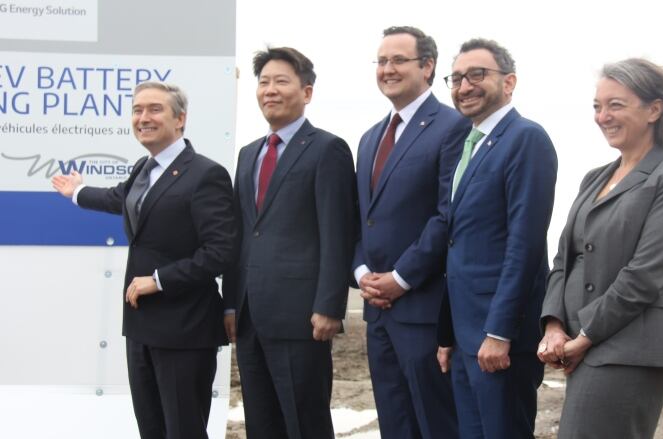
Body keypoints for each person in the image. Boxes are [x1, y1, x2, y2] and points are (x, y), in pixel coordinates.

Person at [51, 81, 236, 439]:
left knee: (183, 431)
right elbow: (119, 198)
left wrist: (160, 279)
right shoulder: (143, 168)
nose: (143, 117)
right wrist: (76, 192)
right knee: (151, 429)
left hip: (185, 328)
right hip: (140, 327)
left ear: (180, 120)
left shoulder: (205, 174)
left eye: (154, 109)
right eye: (137, 110)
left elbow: (221, 251)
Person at [537, 58, 663, 438]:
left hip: (633, 345)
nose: (602, 116)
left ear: (654, 109)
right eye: (597, 106)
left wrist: (586, 336)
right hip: (583, 341)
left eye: (615, 105)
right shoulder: (593, 178)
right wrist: (554, 325)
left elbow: (647, 272)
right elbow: (564, 258)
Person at [221, 47, 356, 439]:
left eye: (281, 81)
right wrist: (231, 301)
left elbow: (337, 232)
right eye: (263, 82)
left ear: (307, 92)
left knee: (304, 423)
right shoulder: (248, 155)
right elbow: (240, 234)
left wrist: (330, 305)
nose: (270, 90)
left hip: (302, 318)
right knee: (261, 423)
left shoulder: (327, 149)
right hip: (250, 315)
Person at [353, 26, 470, 439]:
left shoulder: (453, 127)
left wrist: (401, 279)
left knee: (435, 424)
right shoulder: (369, 139)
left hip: (423, 311)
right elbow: (361, 219)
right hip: (377, 312)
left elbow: (447, 215)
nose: (388, 69)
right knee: (395, 425)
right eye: (382, 61)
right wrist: (361, 272)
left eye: (398, 60)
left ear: (427, 66)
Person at [437, 39, 558, 438]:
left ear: (509, 82)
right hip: (466, 337)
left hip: (498, 341)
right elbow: (460, 245)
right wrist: (449, 334)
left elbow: (524, 245)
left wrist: (499, 332)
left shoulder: (526, 139)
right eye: (455, 78)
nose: (464, 86)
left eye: (477, 75)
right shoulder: (468, 146)